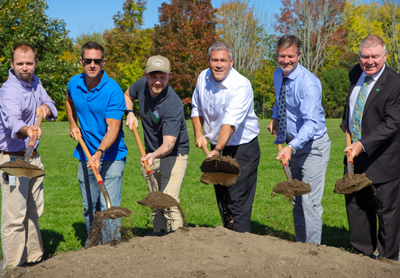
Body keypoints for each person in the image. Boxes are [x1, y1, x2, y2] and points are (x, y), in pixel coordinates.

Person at [341, 35, 400, 260]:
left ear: (385, 56)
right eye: (365, 56)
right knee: (357, 207)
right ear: (359, 57)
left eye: (375, 56)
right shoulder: (355, 72)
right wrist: (347, 119)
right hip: (355, 158)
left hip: (383, 158)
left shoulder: (395, 84)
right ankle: (362, 255)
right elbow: (353, 100)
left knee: (386, 213)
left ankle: (388, 260)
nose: (370, 61)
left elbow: (392, 123)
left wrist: (362, 144)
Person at [267, 35, 331, 245]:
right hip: (292, 144)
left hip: (312, 146)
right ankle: (300, 246)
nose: (286, 61)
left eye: (291, 56)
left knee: (310, 201)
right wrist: (276, 116)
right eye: (281, 56)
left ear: (299, 56)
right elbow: (280, 99)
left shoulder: (309, 84)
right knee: (296, 198)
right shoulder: (278, 75)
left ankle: (312, 252)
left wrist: (290, 147)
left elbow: (311, 124)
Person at [0, 43, 58, 274]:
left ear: (35, 63)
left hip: (32, 157)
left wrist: (45, 107)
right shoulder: (8, 90)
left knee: (33, 211)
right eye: (20, 63)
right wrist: (27, 130)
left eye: (29, 63)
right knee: (15, 216)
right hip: (13, 161)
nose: (25, 67)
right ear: (12, 64)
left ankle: (34, 260)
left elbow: (51, 106)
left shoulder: (36, 83)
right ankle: (12, 268)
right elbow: (12, 121)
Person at [191, 42, 260, 233]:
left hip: (242, 148)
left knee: (237, 201)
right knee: (223, 199)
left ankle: (241, 244)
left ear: (231, 62)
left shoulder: (240, 85)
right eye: (214, 60)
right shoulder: (202, 78)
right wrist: (198, 132)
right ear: (209, 61)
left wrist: (217, 150)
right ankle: (229, 242)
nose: (218, 65)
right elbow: (196, 107)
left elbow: (229, 123)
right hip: (216, 146)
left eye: (223, 60)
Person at [66, 41, 127, 240]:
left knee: (108, 208)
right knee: (89, 206)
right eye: (88, 61)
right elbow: (69, 100)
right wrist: (72, 124)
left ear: (103, 62)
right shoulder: (74, 83)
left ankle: (110, 250)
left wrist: (99, 153)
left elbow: (114, 128)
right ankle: (93, 245)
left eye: (97, 61)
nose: (92, 65)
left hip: (111, 156)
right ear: (81, 61)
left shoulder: (113, 90)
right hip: (85, 154)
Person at [124, 55, 189, 233]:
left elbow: (169, 143)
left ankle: (175, 242)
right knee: (155, 201)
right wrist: (129, 112)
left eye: (162, 76)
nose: (158, 81)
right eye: (154, 76)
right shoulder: (141, 85)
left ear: (169, 76)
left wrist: (153, 155)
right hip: (151, 153)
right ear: (146, 75)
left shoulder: (173, 104)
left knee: (168, 201)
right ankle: (158, 242)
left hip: (173, 154)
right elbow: (127, 95)